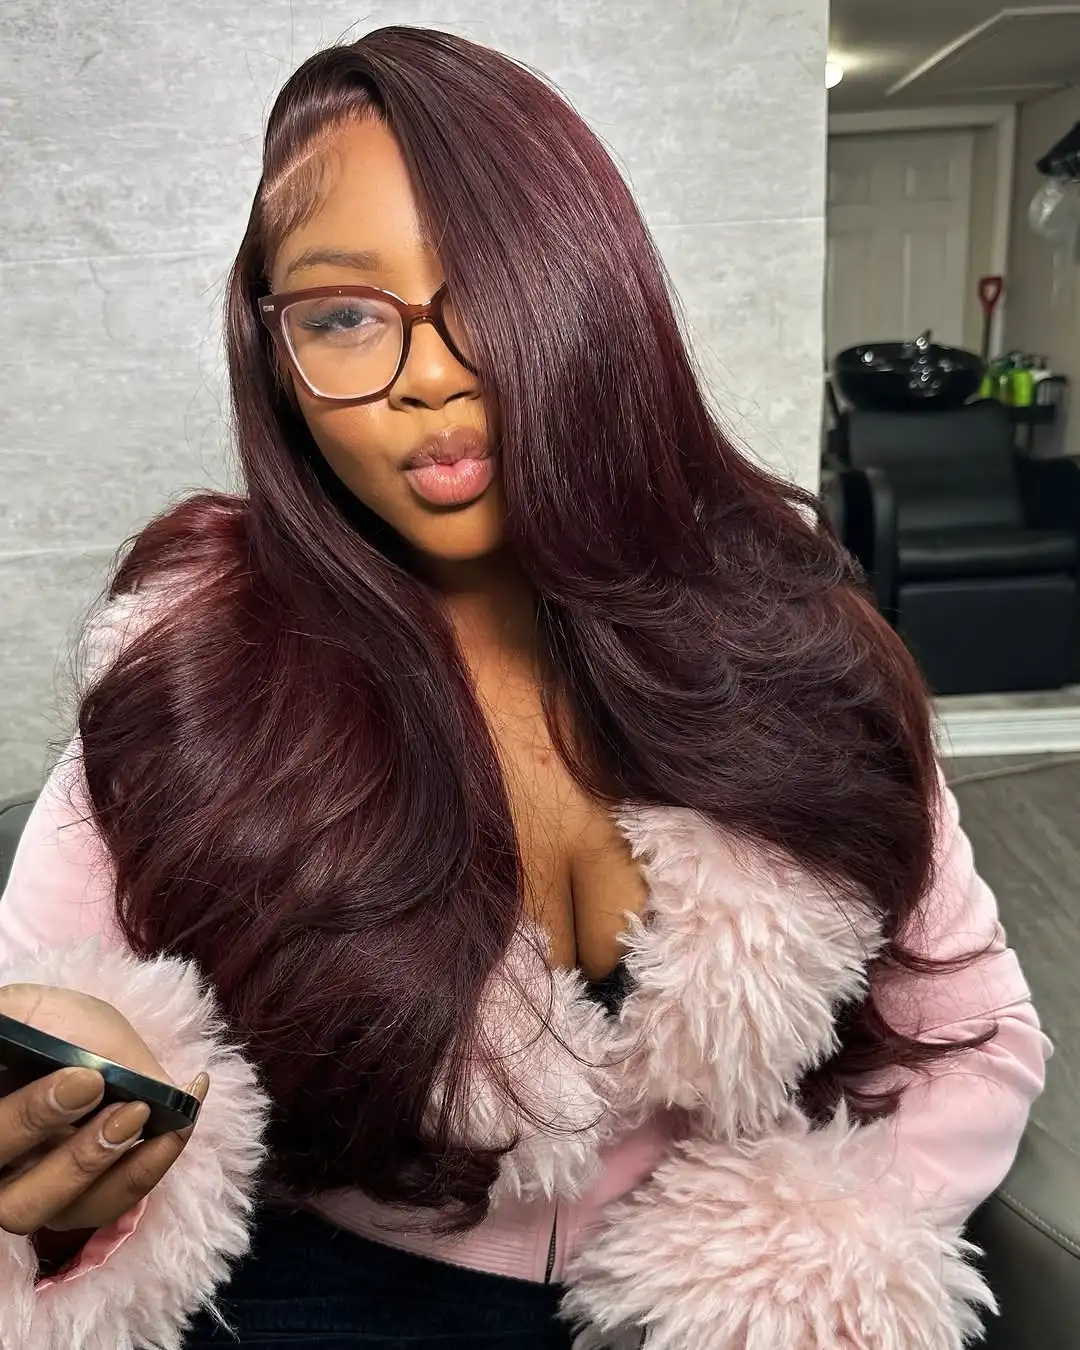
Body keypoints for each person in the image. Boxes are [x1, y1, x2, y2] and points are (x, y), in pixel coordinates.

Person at [0, 26, 1049, 1350]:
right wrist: (59, 1147)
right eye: (344, 315)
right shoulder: (192, 671)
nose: (435, 375)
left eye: (492, 294)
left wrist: (796, 1267)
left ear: (595, 299)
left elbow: (975, 1033)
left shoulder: (789, 643)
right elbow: (41, 1031)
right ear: (275, 349)